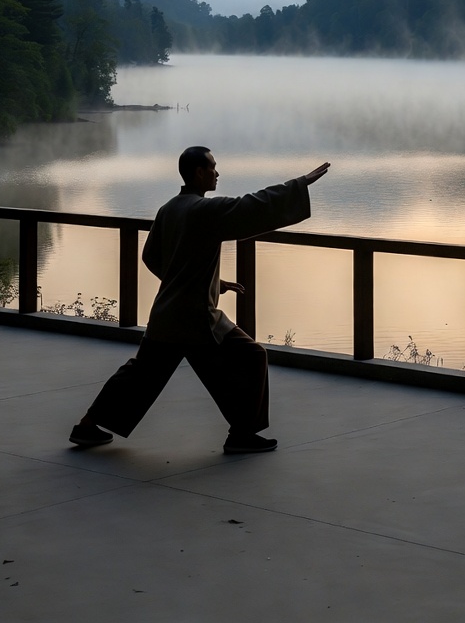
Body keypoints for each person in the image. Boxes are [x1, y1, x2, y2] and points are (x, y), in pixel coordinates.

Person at [69, 147, 330, 453]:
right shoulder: (204, 211)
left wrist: (209, 282)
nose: (217, 173)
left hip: (167, 315)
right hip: (196, 318)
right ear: (198, 173)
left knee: (139, 374)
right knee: (252, 357)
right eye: (212, 168)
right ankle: (242, 434)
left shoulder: (169, 208)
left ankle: (87, 426)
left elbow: (153, 256)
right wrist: (299, 184)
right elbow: (251, 206)